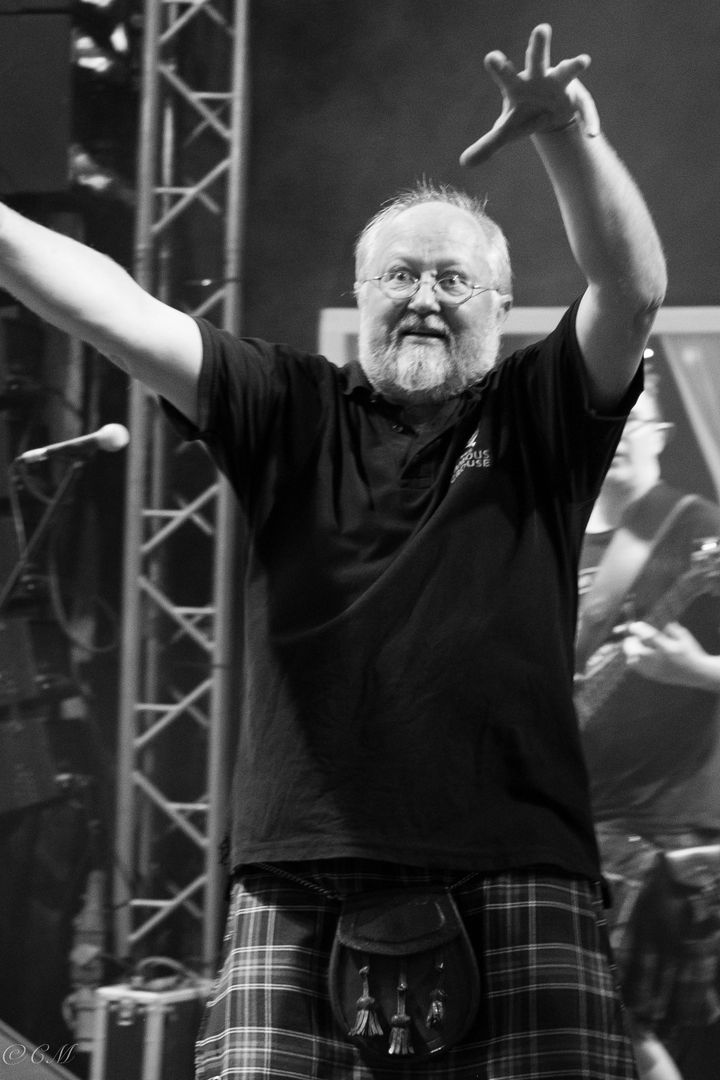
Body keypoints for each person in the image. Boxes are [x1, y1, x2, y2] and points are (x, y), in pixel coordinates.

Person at [0, 22, 666, 1080]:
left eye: (454, 280)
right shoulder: (286, 405)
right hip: (299, 873)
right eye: (399, 275)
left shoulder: (540, 412)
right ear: (361, 296)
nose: (425, 297)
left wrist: (566, 140)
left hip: (516, 867)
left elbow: (630, 293)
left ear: (501, 307)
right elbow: (115, 310)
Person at [576, 375, 720, 1080]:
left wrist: (697, 670)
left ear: (661, 437)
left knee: (623, 1028)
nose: (623, 435)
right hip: (573, 824)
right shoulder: (550, 541)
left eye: (639, 422)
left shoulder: (699, 529)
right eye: (612, 422)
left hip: (670, 827)